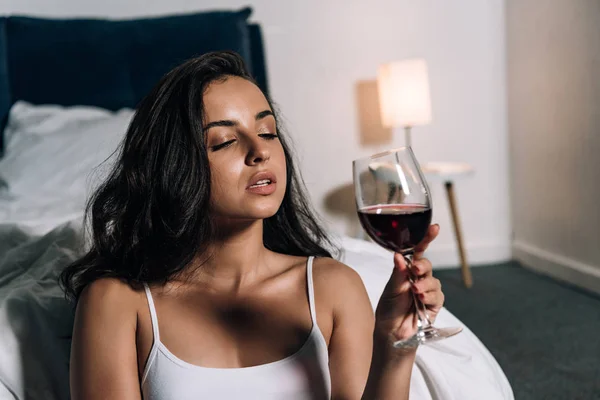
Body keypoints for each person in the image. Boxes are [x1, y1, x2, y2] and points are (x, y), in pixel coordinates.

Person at [60, 51, 445, 400]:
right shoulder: (117, 302)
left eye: (267, 132)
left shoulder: (332, 287)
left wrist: (397, 346)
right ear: (173, 167)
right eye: (225, 140)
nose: (260, 151)